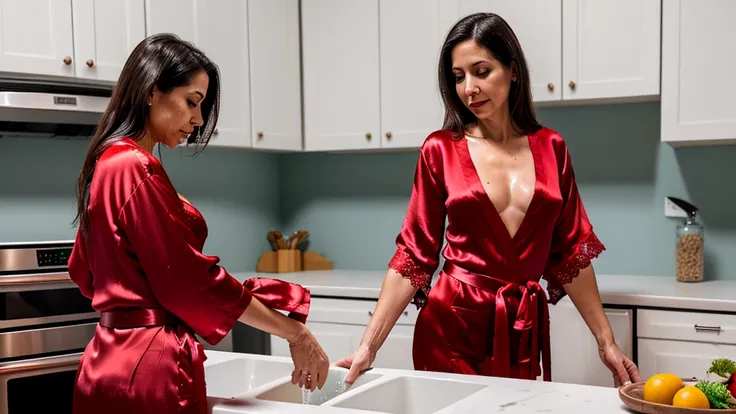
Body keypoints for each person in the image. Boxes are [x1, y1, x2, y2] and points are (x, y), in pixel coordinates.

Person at [336, 13, 642, 387]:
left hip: (520, 330)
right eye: (459, 76)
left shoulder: (552, 148)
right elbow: (412, 257)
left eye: (482, 71)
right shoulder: (440, 150)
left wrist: (606, 343)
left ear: (513, 71)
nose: (469, 89)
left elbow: (570, 255)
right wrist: (369, 346)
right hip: (452, 328)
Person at [67, 33, 329, 414]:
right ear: (153, 91)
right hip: (149, 368)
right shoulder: (135, 166)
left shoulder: (106, 164)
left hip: (105, 358)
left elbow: (82, 271)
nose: (199, 119)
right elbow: (189, 282)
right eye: (192, 102)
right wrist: (295, 332)